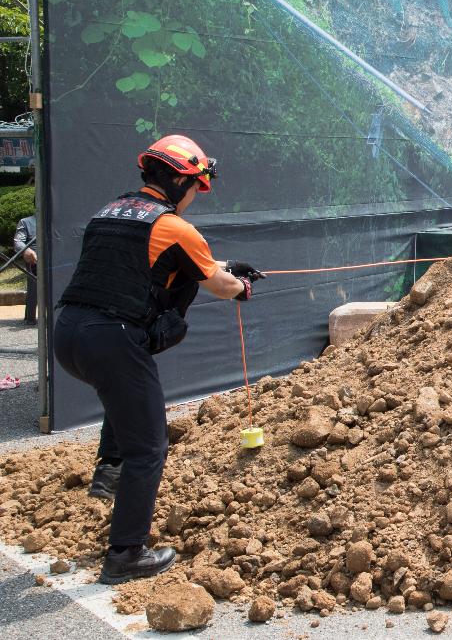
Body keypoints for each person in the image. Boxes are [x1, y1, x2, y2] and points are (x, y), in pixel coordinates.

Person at [54, 135, 264, 585]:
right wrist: (239, 286)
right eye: (195, 188)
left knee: (123, 399)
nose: (194, 198)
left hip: (70, 333)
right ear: (180, 180)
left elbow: (158, 260)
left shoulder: (109, 213)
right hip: (113, 339)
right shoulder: (173, 227)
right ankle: (125, 553)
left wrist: (228, 264)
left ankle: (109, 470)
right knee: (150, 448)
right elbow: (219, 285)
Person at [14, 213, 36, 324]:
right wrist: (26, 250)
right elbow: (18, 242)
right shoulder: (26, 222)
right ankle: (30, 317)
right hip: (35, 261)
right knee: (34, 289)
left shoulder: (59, 221)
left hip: (57, 260)